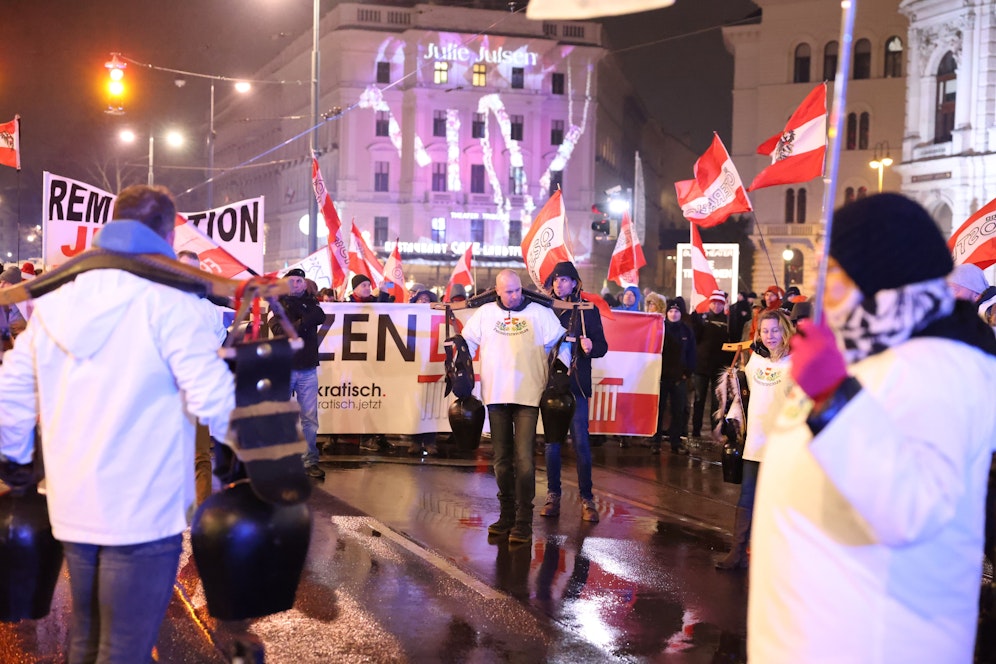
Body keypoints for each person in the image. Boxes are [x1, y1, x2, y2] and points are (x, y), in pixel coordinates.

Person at [748, 193, 996, 662]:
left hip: (876, 639)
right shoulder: (870, 345)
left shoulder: (943, 365)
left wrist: (833, 398)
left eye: (835, 272)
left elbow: (913, 508)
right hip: (817, 630)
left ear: (879, 274)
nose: (824, 287)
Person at [0, 184, 236, 664]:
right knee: (124, 648)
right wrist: (260, 455)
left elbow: (10, 395)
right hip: (145, 507)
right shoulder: (172, 304)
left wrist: (16, 465)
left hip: (70, 501)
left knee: (86, 638)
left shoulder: (55, 304)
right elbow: (216, 399)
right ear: (167, 232)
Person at [461, 269, 571, 544]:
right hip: (496, 395)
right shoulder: (485, 313)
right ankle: (506, 515)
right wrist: (458, 358)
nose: (514, 295)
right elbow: (466, 341)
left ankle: (523, 520)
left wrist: (560, 368)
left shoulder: (539, 313)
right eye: (508, 291)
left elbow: (562, 342)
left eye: (518, 290)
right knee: (501, 461)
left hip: (528, 396)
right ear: (497, 291)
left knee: (523, 461)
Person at [715, 308, 794, 570]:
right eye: (765, 331)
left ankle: (780, 559)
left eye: (775, 330)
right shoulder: (753, 361)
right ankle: (737, 552)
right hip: (755, 443)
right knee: (746, 499)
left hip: (783, 446)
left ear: (785, 331)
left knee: (781, 503)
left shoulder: (795, 362)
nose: (770, 336)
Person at [540, 261, 608, 523]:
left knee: (581, 442)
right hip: (550, 385)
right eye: (556, 280)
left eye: (565, 280)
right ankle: (553, 495)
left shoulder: (586, 311)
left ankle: (587, 497)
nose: (559, 284)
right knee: (552, 444)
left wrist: (591, 347)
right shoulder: (544, 309)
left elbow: (602, 346)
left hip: (576, 385)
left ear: (575, 283)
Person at [176, 250, 229, 506]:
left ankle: (203, 511)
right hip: (164, 392)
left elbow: (218, 348)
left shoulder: (208, 309)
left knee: (200, 455)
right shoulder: (157, 302)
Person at [268, 267, 327, 479]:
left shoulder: (312, 303)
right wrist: (304, 322)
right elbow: (280, 331)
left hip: (308, 368)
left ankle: (309, 460)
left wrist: (298, 323)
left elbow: (320, 315)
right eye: (292, 280)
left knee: (309, 418)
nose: (296, 284)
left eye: (300, 281)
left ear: (305, 283)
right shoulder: (276, 304)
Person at [653, 297, 696, 454]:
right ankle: (655, 441)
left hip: (679, 378)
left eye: (676, 311)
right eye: (670, 311)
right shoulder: (660, 328)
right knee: (659, 410)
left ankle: (675, 443)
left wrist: (687, 373)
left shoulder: (686, 330)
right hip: (661, 377)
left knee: (678, 412)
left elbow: (691, 353)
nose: (673, 314)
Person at [689, 290, 731, 438]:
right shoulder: (703, 318)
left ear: (723, 304)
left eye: (719, 303)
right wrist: (694, 317)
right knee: (699, 400)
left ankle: (715, 430)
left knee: (716, 402)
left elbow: (731, 342)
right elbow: (696, 336)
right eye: (714, 303)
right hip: (702, 366)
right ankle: (695, 431)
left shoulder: (728, 321)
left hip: (719, 367)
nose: (716, 306)